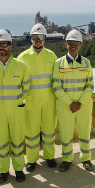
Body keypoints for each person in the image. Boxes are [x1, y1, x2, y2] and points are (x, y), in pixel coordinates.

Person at [0, 30, 30, 183]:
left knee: (17, 141)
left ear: (10, 46)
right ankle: (3, 170)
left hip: (16, 110)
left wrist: (15, 102)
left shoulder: (20, 66)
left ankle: (18, 169)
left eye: (4, 44)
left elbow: (26, 88)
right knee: (1, 143)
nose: (1, 47)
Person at [52, 29, 94, 172]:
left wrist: (80, 102)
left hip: (83, 105)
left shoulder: (86, 63)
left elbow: (90, 85)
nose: (73, 46)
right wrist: (70, 103)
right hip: (66, 106)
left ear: (80, 45)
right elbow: (56, 86)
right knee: (66, 133)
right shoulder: (59, 63)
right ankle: (66, 159)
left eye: (76, 43)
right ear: (66, 44)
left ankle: (86, 158)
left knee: (84, 132)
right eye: (71, 43)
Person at [18, 24, 58, 172]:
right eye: (35, 38)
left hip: (49, 101)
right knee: (31, 133)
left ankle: (49, 157)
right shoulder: (22, 58)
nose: (38, 40)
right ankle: (32, 160)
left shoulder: (51, 56)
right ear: (31, 39)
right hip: (31, 102)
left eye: (40, 38)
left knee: (49, 131)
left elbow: (56, 79)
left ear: (45, 39)